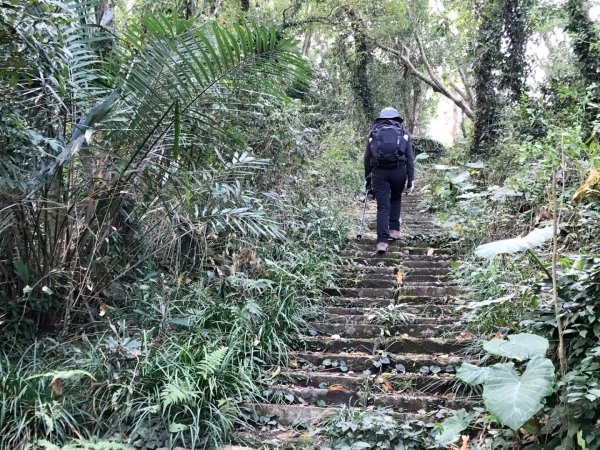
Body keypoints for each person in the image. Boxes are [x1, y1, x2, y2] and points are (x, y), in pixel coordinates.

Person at [364, 107, 415, 254]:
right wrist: (410, 180)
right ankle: (394, 229)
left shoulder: (373, 133)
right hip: (399, 171)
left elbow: (367, 158)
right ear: (397, 119)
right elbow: (410, 159)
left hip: (379, 172)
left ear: (381, 118)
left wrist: (368, 179)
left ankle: (381, 242)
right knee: (396, 198)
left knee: (383, 207)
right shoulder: (404, 133)